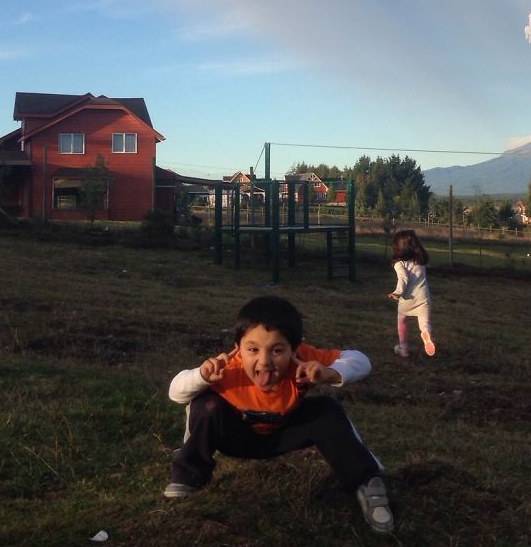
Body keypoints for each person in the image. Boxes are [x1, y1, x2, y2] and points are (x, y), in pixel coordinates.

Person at [163, 295, 394, 535]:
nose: (264, 361)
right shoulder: (225, 368)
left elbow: (361, 360)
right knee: (206, 405)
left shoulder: (303, 360)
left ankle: (365, 480)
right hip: (235, 438)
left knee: (327, 409)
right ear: (237, 348)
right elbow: (175, 392)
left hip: (282, 434)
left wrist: (331, 373)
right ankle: (188, 474)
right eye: (252, 349)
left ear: (294, 350)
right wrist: (201, 377)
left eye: (276, 350)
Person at [388, 229, 435, 358]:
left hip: (407, 299)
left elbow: (403, 279)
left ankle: (403, 349)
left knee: (402, 321)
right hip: (423, 298)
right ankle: (425, 333)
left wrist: (397, 293)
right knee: (424, 322)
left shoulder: (400, 264)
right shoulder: (420, 262)